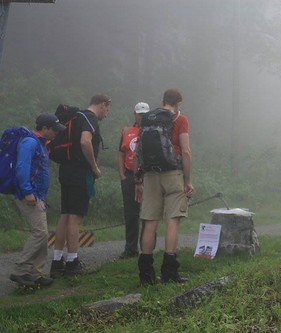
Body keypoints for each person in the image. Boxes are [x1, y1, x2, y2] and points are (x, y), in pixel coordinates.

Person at [134, 88, 194, 285]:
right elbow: (185, 151)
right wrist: (188, 180)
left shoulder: (149, 118)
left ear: (162, 100)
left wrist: (138, 180)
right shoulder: (180, 119)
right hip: (172, 173)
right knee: (172, 220)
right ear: (179, 103)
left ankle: (146, 274)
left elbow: (137, 153)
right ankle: (169, 271)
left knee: (150, 222)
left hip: (150, 175)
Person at [50, 94, 111, 277]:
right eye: (107, 109)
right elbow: (85, 141)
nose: (106, 114)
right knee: (75, 218)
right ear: (102, 105)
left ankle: (56, 261)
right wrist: (94, 167)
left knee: (65, 215)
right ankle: (72, 262)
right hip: (79, 172)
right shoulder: (90, 118)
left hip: (66, 171)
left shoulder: (75, 117)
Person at [9, 114, 66, 287]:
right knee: (39, 233)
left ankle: (36, 273)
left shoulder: (41, 144)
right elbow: (21, 167)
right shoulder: (30, 142)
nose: (56, 132)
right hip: (29, 195)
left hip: (38, 196)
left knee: (42, 234)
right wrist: (27, 192)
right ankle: (20, 271)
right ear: (45, 128)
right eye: (54, 129)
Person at [117, 102, 150, 259]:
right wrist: (122, 174)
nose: (142, 117)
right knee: (130, 214)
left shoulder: (152, 131)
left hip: (147, 176)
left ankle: (147, 248)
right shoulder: (127, 131)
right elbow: (121, 152)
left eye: (145, 114)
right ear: (135, 114)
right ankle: (130, 248)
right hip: (129, 175)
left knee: (148, 213)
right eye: (139, 114)